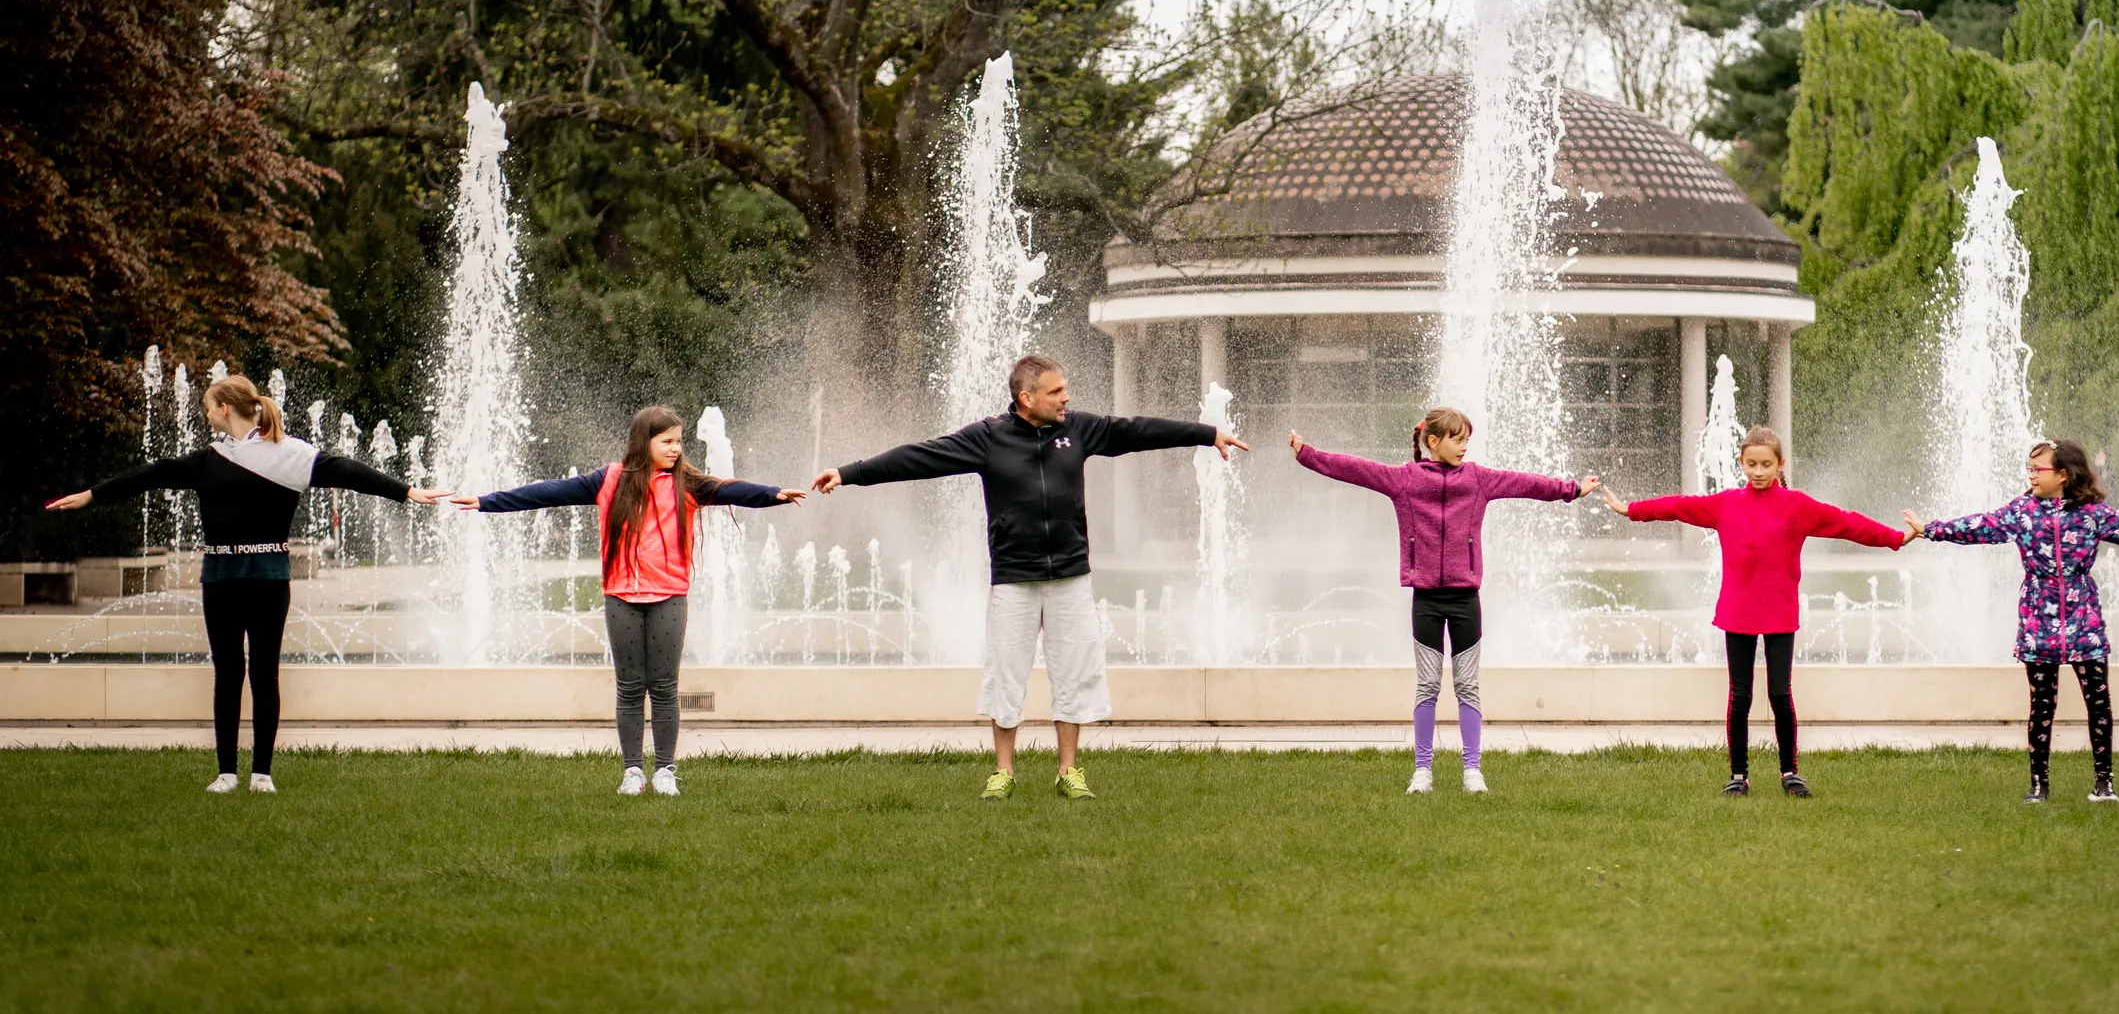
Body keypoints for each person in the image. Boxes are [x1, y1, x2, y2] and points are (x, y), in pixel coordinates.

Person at [813, 354, 1243, 801]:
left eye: (1065, 389)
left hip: (1070, 577)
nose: (1066, 398)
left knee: (1073, 672)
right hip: (1014, 579)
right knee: (1006, 674)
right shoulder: (989, 438)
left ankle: (1069, 770)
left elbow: (1135, 431)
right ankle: (1003, 771)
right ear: (1026, 397)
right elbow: (921, 457)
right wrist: (849, 473)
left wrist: (1207, 434)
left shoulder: (1078, 429)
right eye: (1056, 391)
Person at [46, 373, 451, 793]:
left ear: (224, 408)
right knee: (227, 674)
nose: (204, 413)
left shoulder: (289, 454)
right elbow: (152, 474)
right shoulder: (208, 460)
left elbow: (347, 472)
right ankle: (225, 774)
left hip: (269, 577)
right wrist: (93, 495)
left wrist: (405, 492)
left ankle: (262, 774)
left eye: (207, 406)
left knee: (264, 674)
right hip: (219, 578)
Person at [453, 405, 802, 796]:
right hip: (622, 597)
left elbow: (730, 489)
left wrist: (773, 494)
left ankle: (666, 771)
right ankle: (633, 772)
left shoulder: (685, 483)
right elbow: (546, 492)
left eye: (679, 442)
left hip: (669, 596)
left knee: (665, 686)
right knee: (631, 687)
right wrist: (487, 501)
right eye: (666, 441)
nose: (675, 449)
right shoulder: (609, 480)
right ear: (644, 441)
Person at [1290, 410, 1592, 794]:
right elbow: (1353, 469)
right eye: (1457, 439)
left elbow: (1525, 484)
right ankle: (1422, 771)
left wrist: (1571, 490)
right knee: (1428, 686)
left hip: (1466, 600)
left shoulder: (1479, 480)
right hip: (1426, 601)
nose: (1465, 447)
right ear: (1433, 442)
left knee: (1467, 686)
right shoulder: (1404, 480)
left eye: (1467, 439)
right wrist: (1306, 453)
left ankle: (1472, 771)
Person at [1905, 438, 2119, 804]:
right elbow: (1979, 526)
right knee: (2041, 705)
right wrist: (1930, 529)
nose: (2032, 475)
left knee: (2098, 703)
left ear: (2064, 475)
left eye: (2039, 469)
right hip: (2039, 622)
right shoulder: (2021, 512)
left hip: (2084, 621)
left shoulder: (2092, 513)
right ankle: (2039, 785)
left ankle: (2104, 784)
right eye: (2030, 469)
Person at [1601, 425, 1905, 797]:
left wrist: (1893, 538)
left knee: (1780, 694)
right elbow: (1679, 506)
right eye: (1751, 464)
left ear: (1780, 465)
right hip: (1738, 613)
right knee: (1740, 697)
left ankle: (1789, 773)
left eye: (1765, 464)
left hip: (1779, 614)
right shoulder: (1726, 504)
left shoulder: (1798, 507)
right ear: (1742, 464)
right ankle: (1739, 776)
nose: (1758, 472)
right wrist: (1630, 509)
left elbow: (1846, 523)